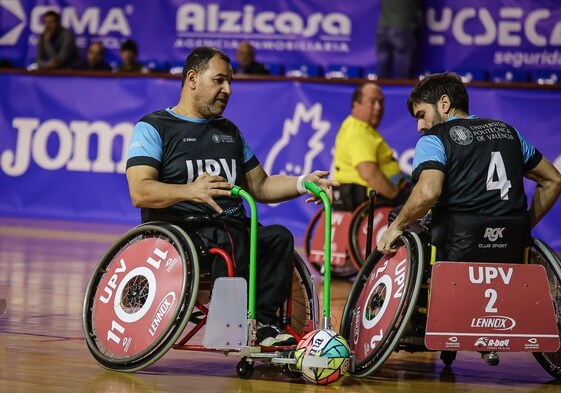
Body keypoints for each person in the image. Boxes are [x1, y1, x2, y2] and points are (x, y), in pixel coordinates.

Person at [126, 46, 337, 346]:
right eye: (220, 80)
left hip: (229, 228)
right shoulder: (154, 127)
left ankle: (263, 323)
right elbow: (140, 190)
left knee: (277, 237)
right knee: (234, 236)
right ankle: (230, 323)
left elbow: (261, 186)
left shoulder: (230, 133)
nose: (228, 90)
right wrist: (191, 191)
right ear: (192, 79)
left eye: (230, 83)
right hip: (183, 230)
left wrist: (304, 183)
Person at [377, 72, 561, 364]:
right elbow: (553, 181)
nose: (420, 125)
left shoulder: (434, 138)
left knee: (400, 216)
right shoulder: (509, 132)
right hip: (510, 244)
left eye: (422, 114)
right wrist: (523, 224)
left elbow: (427, 193)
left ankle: (410, 320)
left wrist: (395, 229)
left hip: (459, 245)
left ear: (445, 104)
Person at [333, 82, 411, 211]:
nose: (378, 107)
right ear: (356, 105)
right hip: (375, 201)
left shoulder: (360, 128)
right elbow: (370, 174)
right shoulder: (358, 131)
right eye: (373, 102)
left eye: (381, 102)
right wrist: (398, 196)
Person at [375, 0, 423, 79]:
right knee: (402, 57)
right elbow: (417, 13)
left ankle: (380, 85)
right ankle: (400, 87)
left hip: (382, 27)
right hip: (402, 26)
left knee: (383, 57)